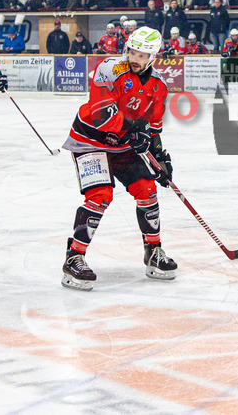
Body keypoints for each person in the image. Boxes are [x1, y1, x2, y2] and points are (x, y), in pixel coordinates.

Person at [60, 26, 176, 290]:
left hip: (122, 145)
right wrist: (133, 130)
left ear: (153, 57)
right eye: (132, 52)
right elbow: (101, 114)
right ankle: (74, 257)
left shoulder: (158, 86)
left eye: (142, 55)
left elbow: (153, 129)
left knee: (147, 190)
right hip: (89, 141)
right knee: (100, 196)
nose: (135, 58)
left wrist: (160, 159)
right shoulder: (109, 69)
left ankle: (153, 252)